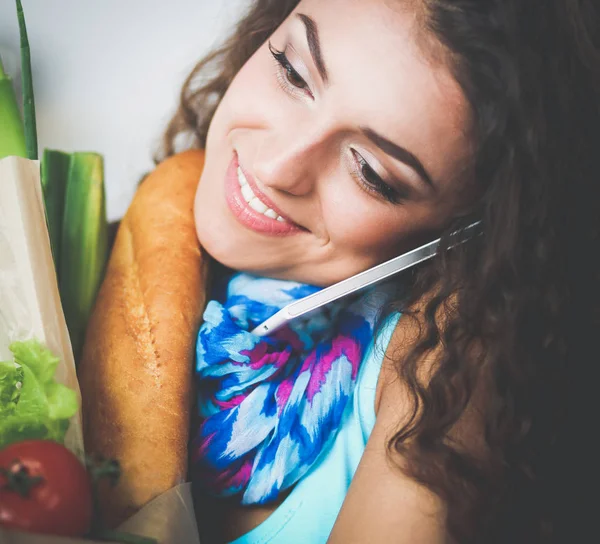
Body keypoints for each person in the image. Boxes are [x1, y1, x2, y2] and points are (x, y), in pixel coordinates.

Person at [156, 0, 599, 542]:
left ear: (474, 234)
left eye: (370, 171)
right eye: (293, 72)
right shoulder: (160, 222)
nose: (275, 167)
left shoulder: (448, 360)